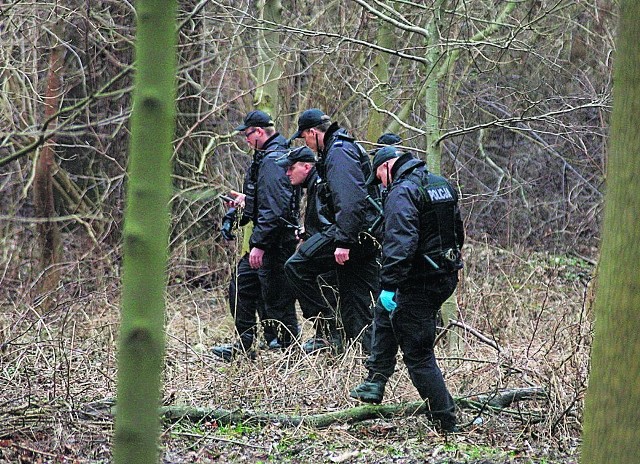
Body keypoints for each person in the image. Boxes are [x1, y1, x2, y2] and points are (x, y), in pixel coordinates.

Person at [349, 146, 464, 434]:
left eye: (379, 177)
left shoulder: (403, 191)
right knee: (385, 314)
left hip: (418, 282)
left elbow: (400, 244)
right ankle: (375, 382)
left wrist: (390, 284)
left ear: (388, 166)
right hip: (445, 274)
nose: (382, 184)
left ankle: (445, 419)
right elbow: (458, 232)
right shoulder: (440, 184)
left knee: (418, 353)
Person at [285, 108, 380, 353]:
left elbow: (350, 200)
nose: (305, 143)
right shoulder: (342, 147)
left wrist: (344, 241)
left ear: (312, 132)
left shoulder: (339, 152)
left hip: (354, 234)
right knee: (356, 299)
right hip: (366, 233)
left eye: (304, 136)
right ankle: (364, 357)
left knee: (296, 266)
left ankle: (328, 327)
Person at [212, 110, 300, 361]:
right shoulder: (265, 158)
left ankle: (289, 352)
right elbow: (263, 201)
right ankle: (245, 344)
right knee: (241, 286)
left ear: (259, 132)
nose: (246, 140)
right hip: (268, 240)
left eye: (248, 135)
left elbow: (275, 209)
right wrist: (239, 211)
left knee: (278, 297)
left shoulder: (274, 160)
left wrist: (259, 245)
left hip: (276, 242)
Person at [275, 147, 341, 353]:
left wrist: (316, 240)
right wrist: (307, 233)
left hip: (334, 245)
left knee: (296, 268)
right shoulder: (312, 184)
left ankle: (327, 328)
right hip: (326, 241)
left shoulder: (320, 183)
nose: (287, 173)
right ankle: (328, 332)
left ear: (306, 166)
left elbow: (329, 220)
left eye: (291, 168)